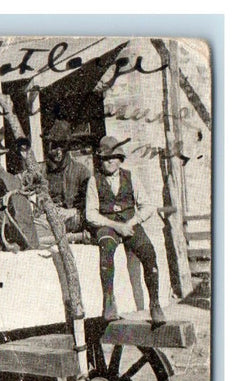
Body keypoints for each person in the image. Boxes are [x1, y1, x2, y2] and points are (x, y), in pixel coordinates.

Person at [86, 135, 165, 325]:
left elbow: (147, 206)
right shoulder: (93, 181)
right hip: (108, 224)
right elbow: (90, 214)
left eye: (114, 157)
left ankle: (155, 303)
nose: (110, 162)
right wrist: (115, 226)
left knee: (148, 252)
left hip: (130, 223)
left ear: (120, 159)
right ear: (100, 161)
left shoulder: (131, 177)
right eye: (105, 158)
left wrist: (132, 222)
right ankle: (109, 302)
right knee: (106, 251)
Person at [44, 120, 91, 234]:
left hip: (73, 218)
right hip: (48, 219)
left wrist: (73, 211)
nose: (58, 152)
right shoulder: (43, 171)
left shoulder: (81, 171)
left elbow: (90, 203)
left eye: (62, 146)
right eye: (55, 146)